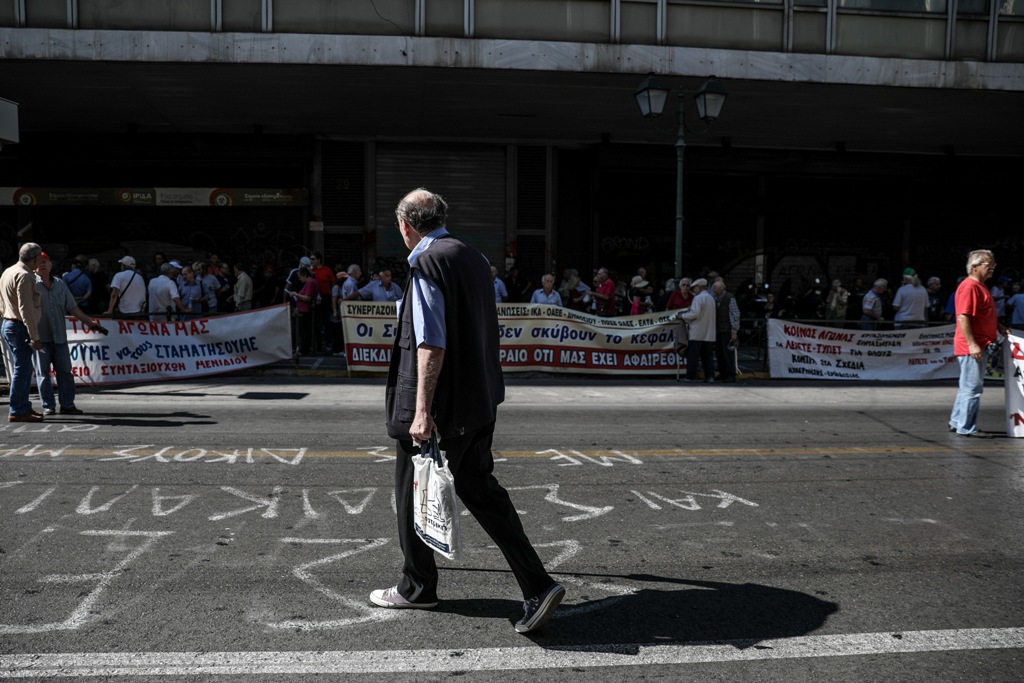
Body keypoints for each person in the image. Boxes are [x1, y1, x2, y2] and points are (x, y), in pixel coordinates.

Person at [372, 188, 564, 634]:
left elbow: (431, 342)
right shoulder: (472, 257)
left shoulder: (426, 263)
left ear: (405, 225)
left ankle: (417, 587)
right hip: (479, 401)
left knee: (412, 491)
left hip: (445, 408)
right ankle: (537, 583)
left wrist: (421, 411)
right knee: (481, 490)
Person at [948, 250, 1009, 438]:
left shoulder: (980, 286)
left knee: (967, 386)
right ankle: (966, 427)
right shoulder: (970, 287)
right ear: (974, 267)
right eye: (988, 264)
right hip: (973, 346)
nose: (992, 268)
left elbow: (984, 314)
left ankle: (957, 421)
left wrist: (999, 327)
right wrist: (972, 344)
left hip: (978, 344)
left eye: (993, 265)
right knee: (973, 388)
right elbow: (963, 316)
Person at [34, 252, 104, 415]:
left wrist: (89, 322)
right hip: (40, 337)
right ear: (34, 266)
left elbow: (73, 308)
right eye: (39, 262)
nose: (43, 265)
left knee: (65, 372)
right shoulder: (30, 284)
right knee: (43, 374)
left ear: (51, 265)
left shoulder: (60, 284)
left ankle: (67, 405)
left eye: (45, 261)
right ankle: (48, 406)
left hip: (59, 336)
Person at [1, 243, 45, 422]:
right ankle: (18, 409)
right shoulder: (25, 275)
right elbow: (25, 308)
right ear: (34, 259)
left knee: (24, 369)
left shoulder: (8, 271)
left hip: (9, 324)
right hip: (19, 327)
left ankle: (23, 406)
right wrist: (34, 336)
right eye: (39, 260)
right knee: (22, 369)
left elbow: (2, 303)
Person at [680, 278, 716, 382]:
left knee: (693, 356)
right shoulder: (711, 298)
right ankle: (710, 376)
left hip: (697, 333)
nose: (693, 290)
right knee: (707, 357)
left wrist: (683, 316)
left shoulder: (698, 298)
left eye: (694, 288)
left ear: (700, 288)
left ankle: (690, 376)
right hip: (709, 333)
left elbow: (694, 314)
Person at [284, 267, 317, 356]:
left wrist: (296, 294)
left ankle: (303, 350)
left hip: (305, 310)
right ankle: (302, 349)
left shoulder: (310, 283)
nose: (299, 279)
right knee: (302, 331)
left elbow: (307, 297)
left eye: (300, 277)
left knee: (304, 331)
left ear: (305, 275)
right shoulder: (308, 283)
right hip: (302, 309)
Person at [711, 280, 740, 383]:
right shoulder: (715, 298)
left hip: (727, 330)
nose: (713, 290)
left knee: (727, 353)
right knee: (720, 353)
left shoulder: (729, 298)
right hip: (718, 330)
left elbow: (735, 315)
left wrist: (734, 331)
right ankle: (723, 373)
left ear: (721, 289)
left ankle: (731, 374)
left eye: (715, 288)